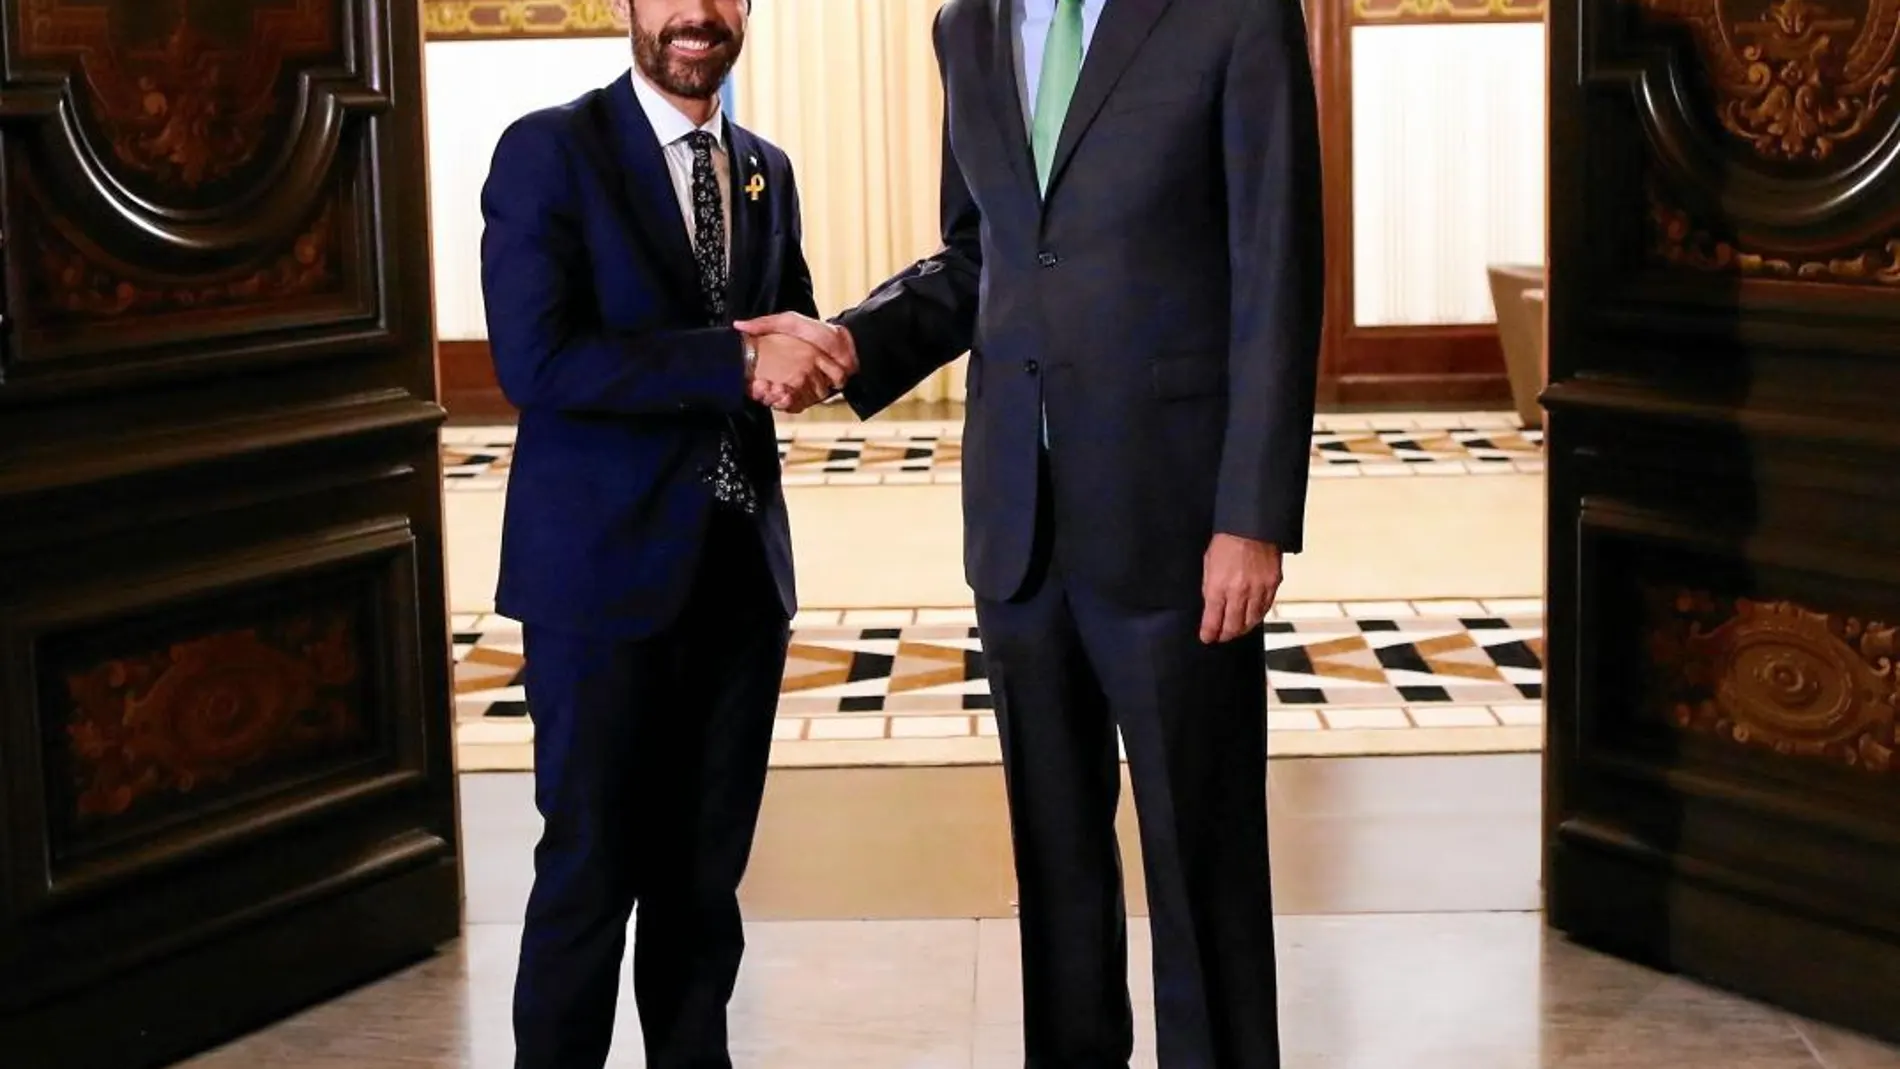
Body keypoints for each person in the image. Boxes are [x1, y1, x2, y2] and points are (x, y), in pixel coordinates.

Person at [739, 0, 1325, 1064]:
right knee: (1054, 855)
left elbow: (1276, 271)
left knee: (1202, 854)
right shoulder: (964, 28)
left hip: (1176, 517)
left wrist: (1251, 514)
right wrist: (849, 342)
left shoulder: (1233, 19)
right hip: (1017, 517)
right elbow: (981, 258)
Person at [478, 0, 845, 1065]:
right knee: (591, 871)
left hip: (737, 581)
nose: (697, 12)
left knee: (702, 887)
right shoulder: (551, 148)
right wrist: (733, 359)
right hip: (598, 581)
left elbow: (789, 322)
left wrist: (822, 351)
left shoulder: (762, 165)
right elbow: (537, 363)